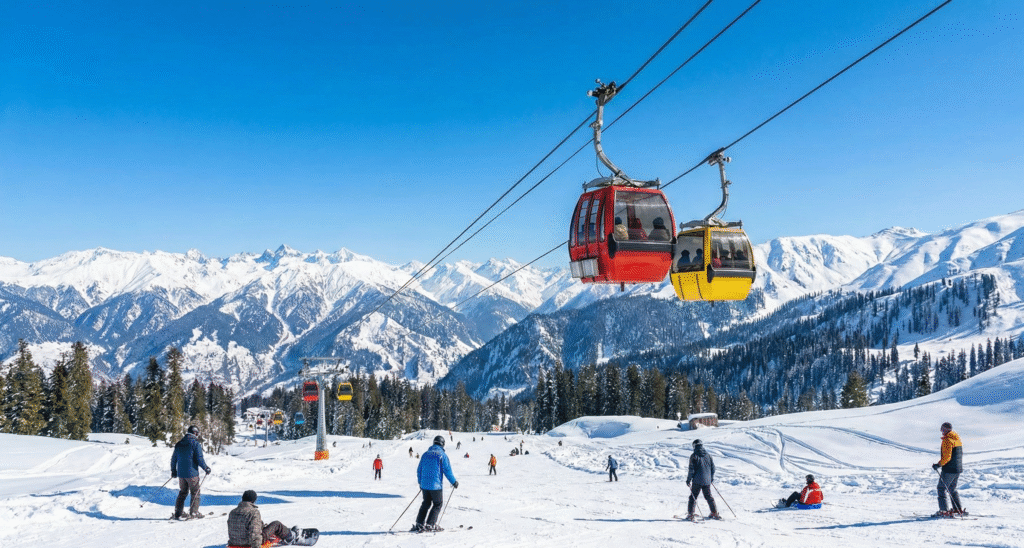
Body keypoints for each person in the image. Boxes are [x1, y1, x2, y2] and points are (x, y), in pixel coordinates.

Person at [414, 435, 459, 532]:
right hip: (436, 485)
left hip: (425, 485)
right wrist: (454, 482)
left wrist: (420, 483)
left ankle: (419, 523)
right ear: (442, 444)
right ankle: (430, 524)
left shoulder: (425, 454)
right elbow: (447, 471)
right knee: (438, 504)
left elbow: (419, 470)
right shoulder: (442, 455)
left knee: (426, 503)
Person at [227, 490, 299, 548]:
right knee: (276, 524)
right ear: (253, 500)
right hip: (249, 543)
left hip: (234, 542)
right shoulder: (253, 512)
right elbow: (254, 532)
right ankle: (291, 537)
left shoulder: (232, 512)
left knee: (261, 525)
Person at [170, 425, 211, 520]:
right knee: (195, 492)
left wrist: (173, 471)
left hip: (181, 474)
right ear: (195, 433)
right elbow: (199, 459)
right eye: (198, 433)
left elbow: (173, 459)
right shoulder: (195, 443)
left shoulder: (179, 443)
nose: (198, 435)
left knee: (183, 492)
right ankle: (194, 513)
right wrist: (206, 468)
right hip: (192, 474)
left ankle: (178, 513)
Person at [933, 422, 966, 517]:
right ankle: (957, 509)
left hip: (949, 469)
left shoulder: (947, 440)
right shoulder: (957, 439)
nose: (941, 431)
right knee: (952, 488)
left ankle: (944, 511)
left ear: (947, 429)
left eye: (942, 429)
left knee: (941, 488)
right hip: (957, 469)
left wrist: (938, 465)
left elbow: (947, 457)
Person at [685, 439, 721, 520]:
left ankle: (690, 514)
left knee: (693, 497)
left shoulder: (694, 456)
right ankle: (714, 513)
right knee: (708, 496)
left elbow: (691, 470)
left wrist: (688, 480)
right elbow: (713, 468)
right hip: (707, 481)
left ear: (694, 446)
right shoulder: (708, 455)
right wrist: (710, 478)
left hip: (697, 481)